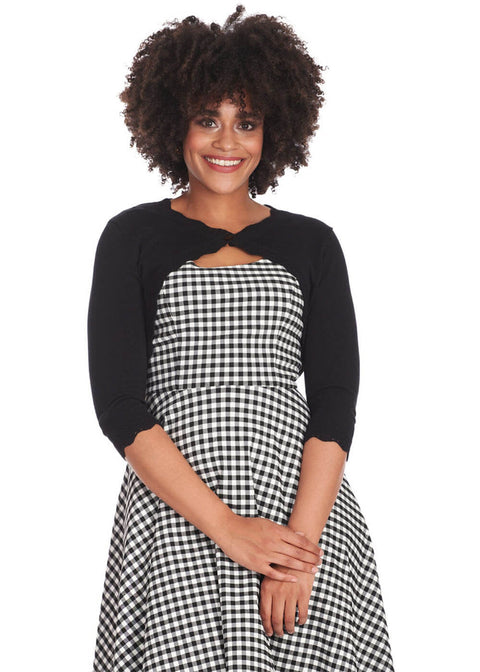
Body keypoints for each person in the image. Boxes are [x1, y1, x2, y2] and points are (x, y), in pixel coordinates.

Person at [87, 6, 395, 671]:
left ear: (274, 128)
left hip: (297, 512)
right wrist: (228, 529)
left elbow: (335, 401)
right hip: (176, 514)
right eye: (208, 118)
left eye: (246, 121)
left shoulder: (313, 243)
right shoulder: (132, 237)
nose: (227, 140)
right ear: (173, 123)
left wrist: (295, 555)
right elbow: (120, 406)